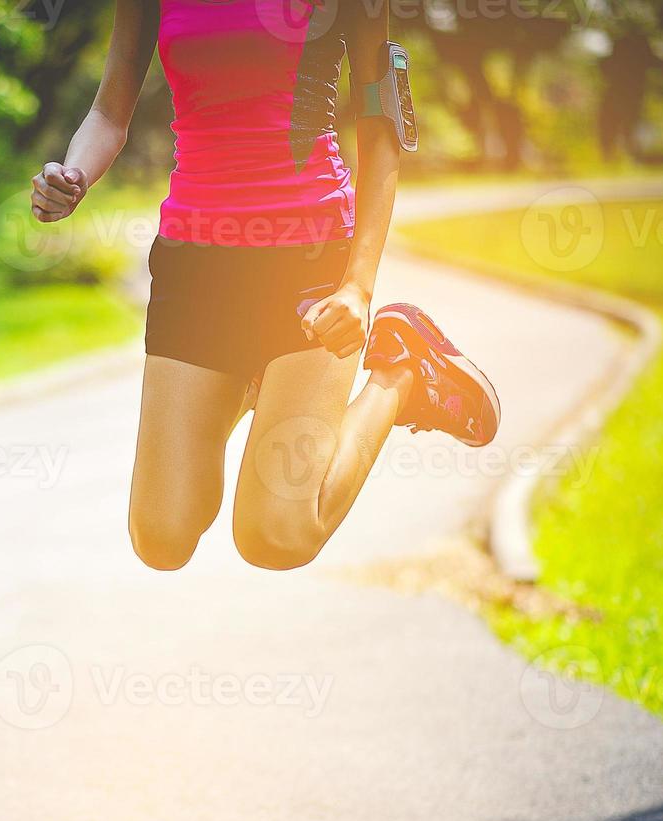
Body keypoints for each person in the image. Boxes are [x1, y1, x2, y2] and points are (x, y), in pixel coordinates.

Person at [30, 0, 500, 571]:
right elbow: (109, 114)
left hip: (308, 262)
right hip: (195, 265)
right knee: (161, 537)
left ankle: (402, 368)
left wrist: (357, 287)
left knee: (276, 536)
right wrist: (74, 173)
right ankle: (257, 380)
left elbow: (381, 127)